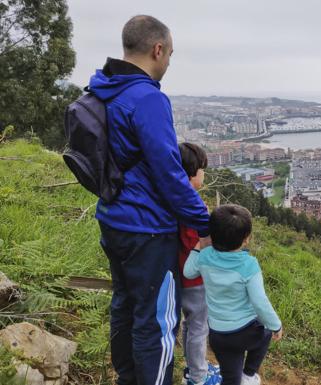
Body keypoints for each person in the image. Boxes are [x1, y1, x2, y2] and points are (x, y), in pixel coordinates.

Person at [89, 15, 211, 385]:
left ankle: (127, 378)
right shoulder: (148, 98)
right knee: (156, 319)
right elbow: (170, 174)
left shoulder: (103, 88)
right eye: (170, 55)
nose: (169, 63)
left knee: (124, 305)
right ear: (158, 49)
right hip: (149, 230)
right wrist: (204, 225)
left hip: (112, 218)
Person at [183, 205, 283, 385]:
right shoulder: (249, 265)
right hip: (247, 331)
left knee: (230, 378)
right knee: (266, 331)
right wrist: (276, 325)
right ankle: (249, 375)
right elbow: (260, 302)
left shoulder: (204, 257)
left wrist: (198, 247)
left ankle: (238, 379)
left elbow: (188, 273)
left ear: (212, 234)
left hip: (219, 335)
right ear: (246, 239)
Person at [177, 143, 222, 385]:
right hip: (194, 277)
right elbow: (199, 242)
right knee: (198, 326)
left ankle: (195, 368)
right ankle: (198, 377)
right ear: (192, 172)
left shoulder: (174, 196)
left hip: (180, 273)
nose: (204, 174)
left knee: (191, 324)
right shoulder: (191, 204)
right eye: (203, 170)